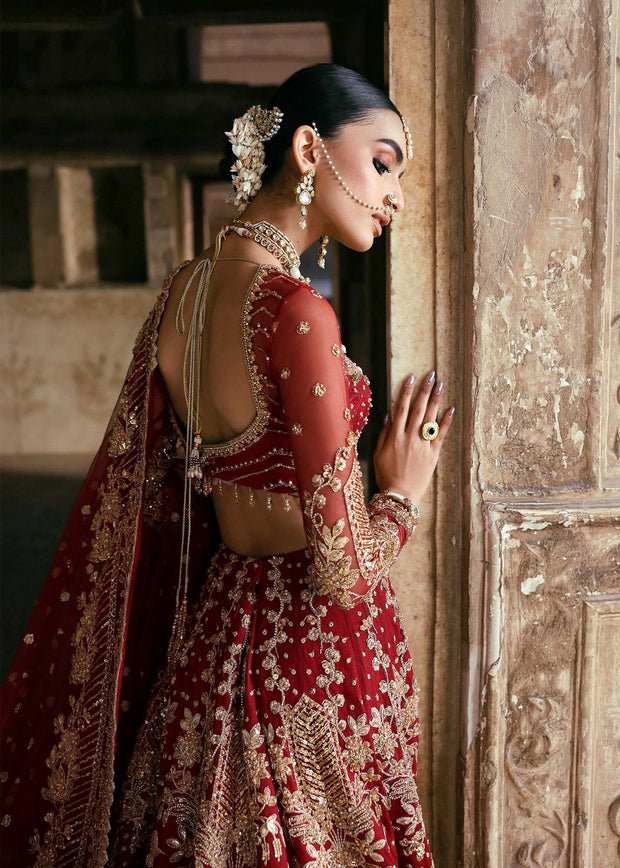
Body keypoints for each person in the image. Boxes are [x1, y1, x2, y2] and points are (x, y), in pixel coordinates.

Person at [0, 63, 453, 867]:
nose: (396, 196)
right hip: (305, 658)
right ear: (309, 148)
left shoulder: (186, 293)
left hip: (218, 637)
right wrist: (401, 492)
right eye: (383, 162)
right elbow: (344, 567)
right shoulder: (296, 310)